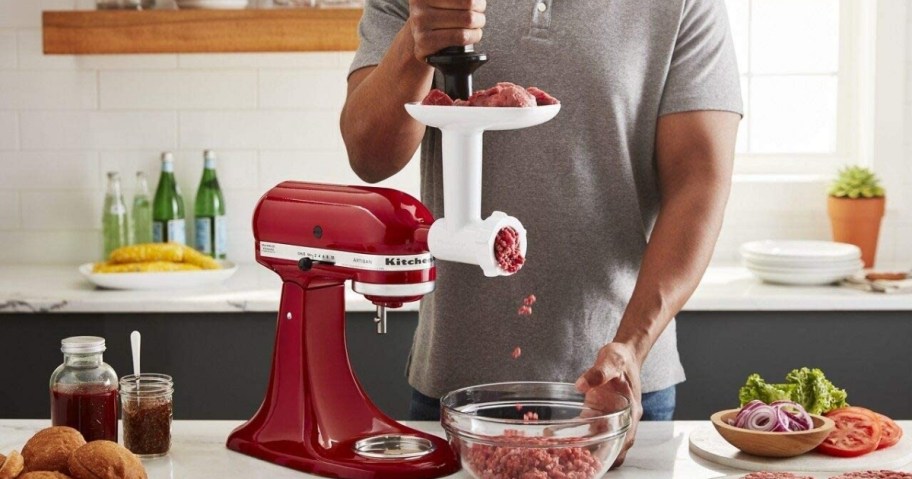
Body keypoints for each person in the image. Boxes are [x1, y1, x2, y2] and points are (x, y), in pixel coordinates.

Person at [340, 0, 742, 467]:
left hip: (617, 390)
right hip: (456, 395)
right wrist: (416, 42)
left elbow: (699, 180)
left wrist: (631, 346)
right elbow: (369, 156)